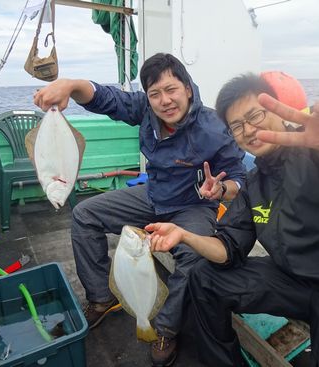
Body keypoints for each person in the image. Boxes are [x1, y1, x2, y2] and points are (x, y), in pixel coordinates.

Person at [145, 73, 319, 367]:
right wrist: (185, 235)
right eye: (237, 126)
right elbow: (227, 248)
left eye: (255, 115)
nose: (249, 130)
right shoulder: (255, 184)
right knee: (204, 277)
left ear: (277, 109)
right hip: (296, 281)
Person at [33, 53, 246, 366]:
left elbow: (238, 176)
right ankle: (101, 297)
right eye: (155, 93)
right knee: (85, 215)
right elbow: (107, 99)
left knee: (194, 258)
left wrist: (221, 189)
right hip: (154, 196)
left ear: (188, 88)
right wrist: (71, 85)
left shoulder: (214, 127)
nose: (164, 101)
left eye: (171, 90)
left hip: (193, 205)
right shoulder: (145, 110)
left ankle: (164, 329)